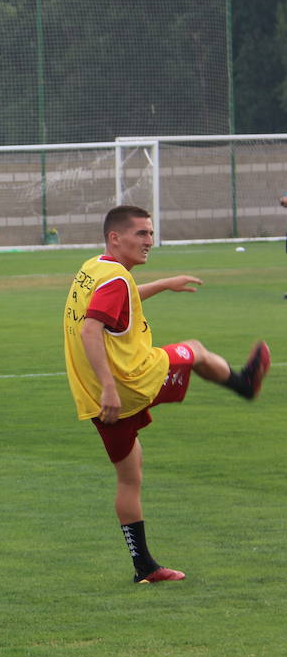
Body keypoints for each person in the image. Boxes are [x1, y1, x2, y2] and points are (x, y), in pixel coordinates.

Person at [62, 204, 270, 583]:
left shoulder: (95, 268)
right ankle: (244, 383)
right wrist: (111, 386)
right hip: (130, 382)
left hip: (94, 398)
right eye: (141, 233)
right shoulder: (114, 281)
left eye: (151, 233)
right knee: (196, 349)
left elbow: (114, 301)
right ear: (115, 237)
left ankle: (144, 566)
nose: (150, 241)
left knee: (130, 473)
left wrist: (164, 283)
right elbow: (92, 328)